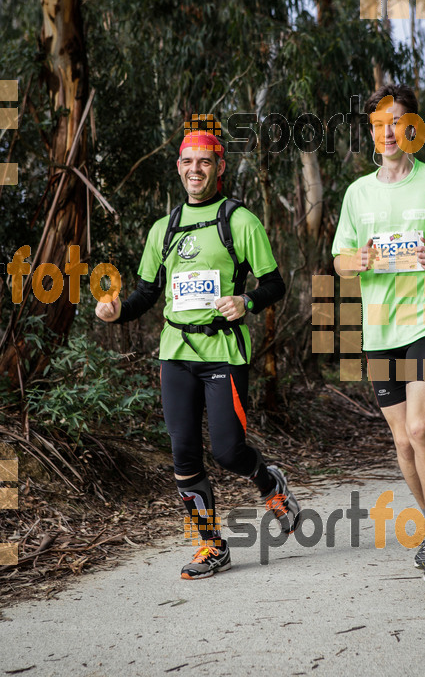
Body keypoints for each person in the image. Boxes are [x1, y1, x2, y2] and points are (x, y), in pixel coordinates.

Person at [95, 131, 300, 580]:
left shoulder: (240, 221)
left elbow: (274, 283)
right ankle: (211, 545)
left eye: (205, 163)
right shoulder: (162, 229)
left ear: (220, 167)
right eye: (188, 162)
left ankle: (269, 481)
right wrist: (115, 312)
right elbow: (147, 294)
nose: (195, 170)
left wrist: (246, 302)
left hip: (224, 353)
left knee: (228, 452)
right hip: (175, 353)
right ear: (178, 167)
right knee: (183, 455)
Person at [332, 83, 425, 584]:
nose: (388, 131)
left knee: (421, 428)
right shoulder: (358, 193)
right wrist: (356, 261)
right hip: (379, 330)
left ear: (413, 127)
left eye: (396, 121)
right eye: (378, 123)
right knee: (401, 441)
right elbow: (339, 262)